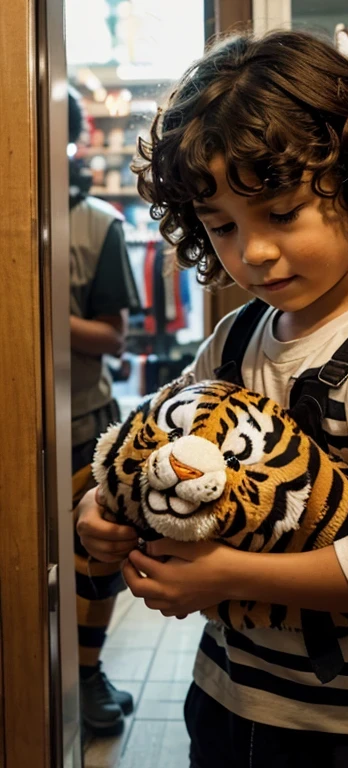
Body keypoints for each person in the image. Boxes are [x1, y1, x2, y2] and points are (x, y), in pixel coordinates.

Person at [76, 30, 348, 766]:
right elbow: (151, 438)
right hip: (228, 696)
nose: (252, 253)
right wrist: (104, 505)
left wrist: (225, 574)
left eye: (283, 213)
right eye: (223, 227)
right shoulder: (235, 337)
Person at [68, 87, 140, 737]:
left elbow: (114, 336)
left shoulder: (99, 223)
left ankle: (87, 673)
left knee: (97, 558)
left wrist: (43, 320)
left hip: (80, 422)